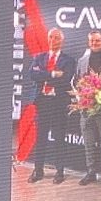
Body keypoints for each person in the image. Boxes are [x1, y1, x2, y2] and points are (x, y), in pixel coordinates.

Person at [29, 29, 71, 185]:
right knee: (41, 137)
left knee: (59, 137)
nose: (53, 40)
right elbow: (32, 74)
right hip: (43, 102)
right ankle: (38, 170)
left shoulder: (68, 60)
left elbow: (65, 79)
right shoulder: (39, 58)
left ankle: (60, 172)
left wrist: (43, 74)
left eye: (57, 38)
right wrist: (53, 74)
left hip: (58, 102)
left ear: (62, 41)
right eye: (51, 37)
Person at [75, 31, 101, 185]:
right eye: (92, 41)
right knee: (88, 142)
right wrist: (81, 96)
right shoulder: (81, 61)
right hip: (85, 109)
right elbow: (77, 82)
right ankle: (90, 172)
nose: (94, 43)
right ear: (88, 43)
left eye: (97, 41)